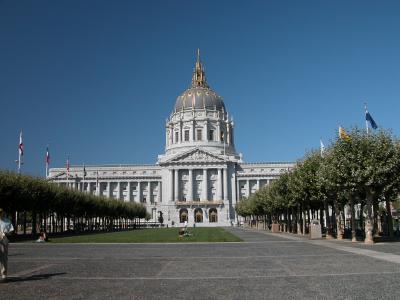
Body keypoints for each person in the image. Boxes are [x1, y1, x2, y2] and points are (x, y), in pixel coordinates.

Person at [0, 208, 14, 282]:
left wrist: (6, 233)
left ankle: (3, 274)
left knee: (4, 258)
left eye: (1, 212)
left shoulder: (7, 221)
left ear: (3, 212)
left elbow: (11, 231)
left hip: (4, 239)